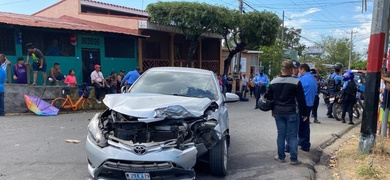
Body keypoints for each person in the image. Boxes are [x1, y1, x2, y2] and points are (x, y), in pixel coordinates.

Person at [264, 60, 307, 165]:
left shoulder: (273, 82)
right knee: (292, 136)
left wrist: (273, 109)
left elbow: (268, 97)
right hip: (292, 112)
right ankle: (293, 159)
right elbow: (301, 99)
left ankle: (281, 157)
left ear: (281, 70)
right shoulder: (296, 82)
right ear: (291, 69)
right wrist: (304, 113)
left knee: (281, 135)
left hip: (278, 112)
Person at [298, 64, 317, 152]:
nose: (299, 72)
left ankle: (303, 143)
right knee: (305, 124)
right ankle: (303, 143)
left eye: (299, 70)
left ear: (303, 70)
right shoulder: (313, 79)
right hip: (309, 104)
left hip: (302, 104)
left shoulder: (302, 79)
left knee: (300, 125)